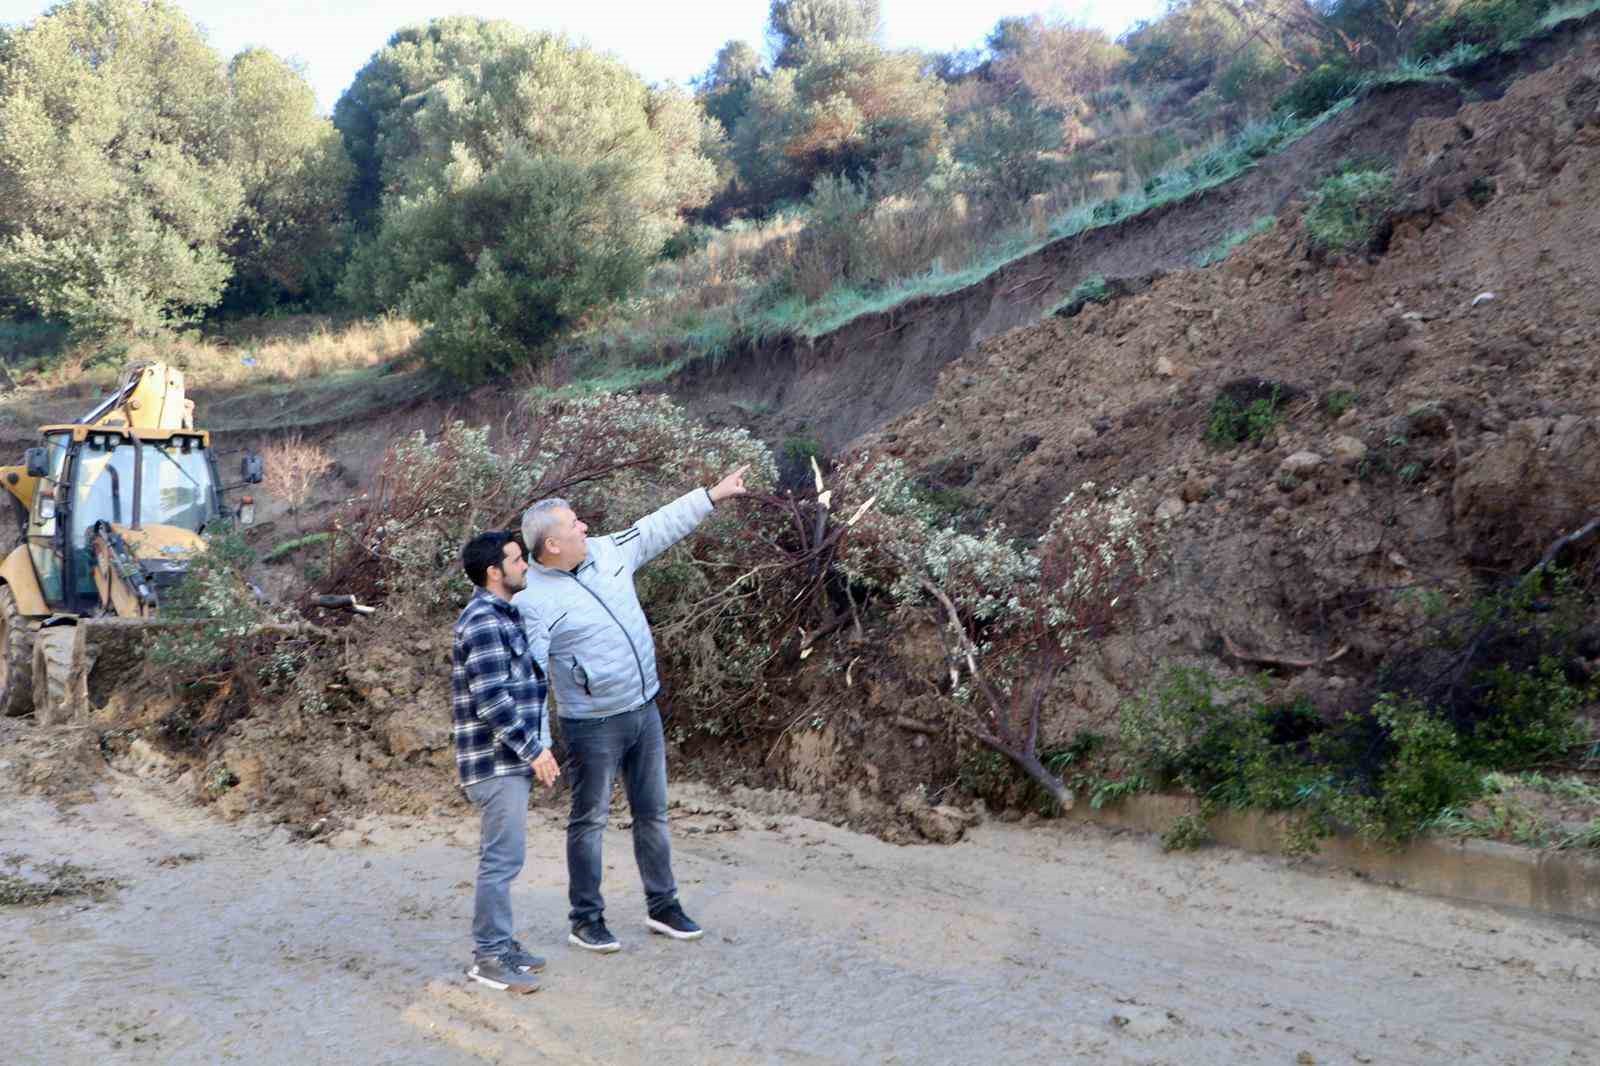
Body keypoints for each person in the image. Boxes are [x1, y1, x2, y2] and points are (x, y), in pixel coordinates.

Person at [515, 466, 749, 953]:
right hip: (592, 724)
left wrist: (711, 495)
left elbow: (656, 526)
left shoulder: (607, 551)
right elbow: (531, 676)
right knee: (589, 821)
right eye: (574, 524)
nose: (584, 526)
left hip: (644, 709)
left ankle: (663, 906)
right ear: (551, 545)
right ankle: (586, 919)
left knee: (653, 813)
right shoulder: (532, 600)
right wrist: (538, 744)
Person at [451, 531, 562, 992]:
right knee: (501, 860)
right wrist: (534, 750)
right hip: (495, 763)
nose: (525, 566)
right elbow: (493, 701)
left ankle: (501, 943)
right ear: (494, 572)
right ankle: (490, 956)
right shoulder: (483, 621)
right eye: (517, 560)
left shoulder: (502, 615)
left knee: (506, 858)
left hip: (506, 761)